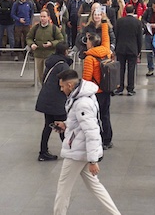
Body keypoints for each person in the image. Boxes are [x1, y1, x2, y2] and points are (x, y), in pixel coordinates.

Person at [52, 69, 120, 215]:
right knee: (95, 186)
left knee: (63, 189)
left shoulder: (82, 103)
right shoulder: (81, 96)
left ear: (70, 85)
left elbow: (92, 131)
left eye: (62, 86)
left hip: (77, 152)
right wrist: (66, 125)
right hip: (82, 150)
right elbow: (81, 124)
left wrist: (93, 160)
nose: (61, 89)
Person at [35, 42, 72, 162]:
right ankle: (69, 151)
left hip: (47, 98)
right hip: (57, 100)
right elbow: (67, 84)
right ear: (65, 52)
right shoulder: (63, 65)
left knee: (48, 125)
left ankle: (43, 152)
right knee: (62, 125)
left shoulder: (51, 62)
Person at [82, 25, 113, 149]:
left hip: (95, 91)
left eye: (88, 40)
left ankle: (99, 139)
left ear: (91, 43)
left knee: (94, 117)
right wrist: (104, 23)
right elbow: (106, 39)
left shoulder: (90, 58)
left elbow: (86, 78)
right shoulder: (105, 52)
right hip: (106, 88)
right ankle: (108, 139)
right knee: (105, 115)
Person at [28, 10, 65, 82]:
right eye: (41, 17)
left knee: (48, 76)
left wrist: (51, 43)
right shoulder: (35, 28)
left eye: (44, 17)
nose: (42, 18)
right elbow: (29, 38)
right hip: (38, 55)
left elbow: (61, 39)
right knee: (40, 76)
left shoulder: (54, 28)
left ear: (48, 17)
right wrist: (31, 44)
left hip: (50, 55)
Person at [114, 5, 143, 96]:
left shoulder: (119, 21)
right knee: (131, 69)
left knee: (121, 69)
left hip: (121, 48)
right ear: (134, 11)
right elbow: (140, 38)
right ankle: (130, 89)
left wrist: (115, 48)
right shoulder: (138, 22)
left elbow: (116, 35)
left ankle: (120, 88)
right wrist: (139, 50)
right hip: (133, 48)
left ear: (125, 11)